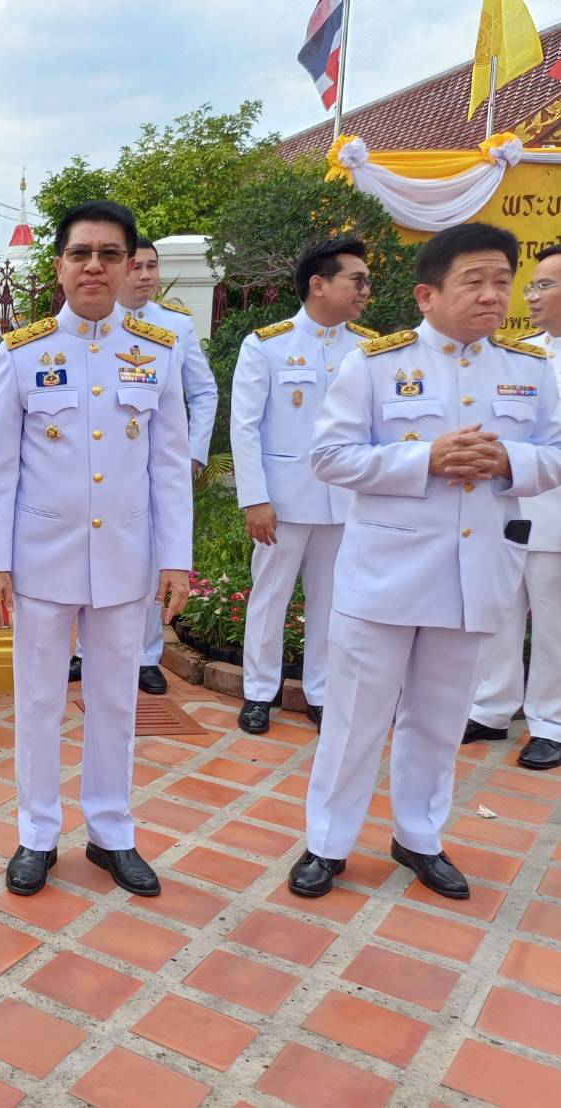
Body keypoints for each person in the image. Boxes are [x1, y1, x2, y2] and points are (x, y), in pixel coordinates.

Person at [289, 223, 561, 901]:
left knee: (440, 719)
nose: (492, 294)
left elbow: (555, 453)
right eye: (473, 281)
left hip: (475, 575)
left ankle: (419, 835)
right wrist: (424, 459)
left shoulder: (530, 370)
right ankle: (327, 842)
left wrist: (508, 460)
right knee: (355, 718)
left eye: (502, 281)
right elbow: (328, 457)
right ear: (426, 294)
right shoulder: (375, 364)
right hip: (385, 573)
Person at [0, 200, 192, 898]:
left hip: (124, 558)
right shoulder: (23, 352)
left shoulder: (157, 352)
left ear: (129, 267)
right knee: (39, 701)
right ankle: (37, 832)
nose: (94, 266)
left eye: (108, 254)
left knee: (115, 701)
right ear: (59, 267)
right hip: (42, 558)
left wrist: (175, 557)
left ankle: (111, 832)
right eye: (80, 253)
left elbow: (169, 464)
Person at [229, 238, 376, 734]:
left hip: (345, 501)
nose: (365, 290)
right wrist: (256, 498)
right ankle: (258, 692)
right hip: (283, 502)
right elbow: (244, 426)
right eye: (356, 280)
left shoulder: (368, 349)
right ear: (319, 284)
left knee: (332, 601)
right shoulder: (267, 345)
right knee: (270, 597)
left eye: (366, 281)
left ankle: (321, 691)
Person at [71, 236, 220, 695]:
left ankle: (147, 655)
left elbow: (203, 392)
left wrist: (192, 454)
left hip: (158, 465)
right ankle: (84, 651)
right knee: (92, 555)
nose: (146, 275)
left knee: (153, 562)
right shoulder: (88, 323)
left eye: (152, 267)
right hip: (105, 469)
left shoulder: (175, 328)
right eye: (137, 266)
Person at [463, 241, 561, 769]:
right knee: (499, 614)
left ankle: (550, 722)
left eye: (545, 285)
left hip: (557, 514)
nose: (532, 295)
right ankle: (492, 707)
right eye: (533, 284)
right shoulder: (520, 355)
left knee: (553, 624)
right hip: (507, 508)